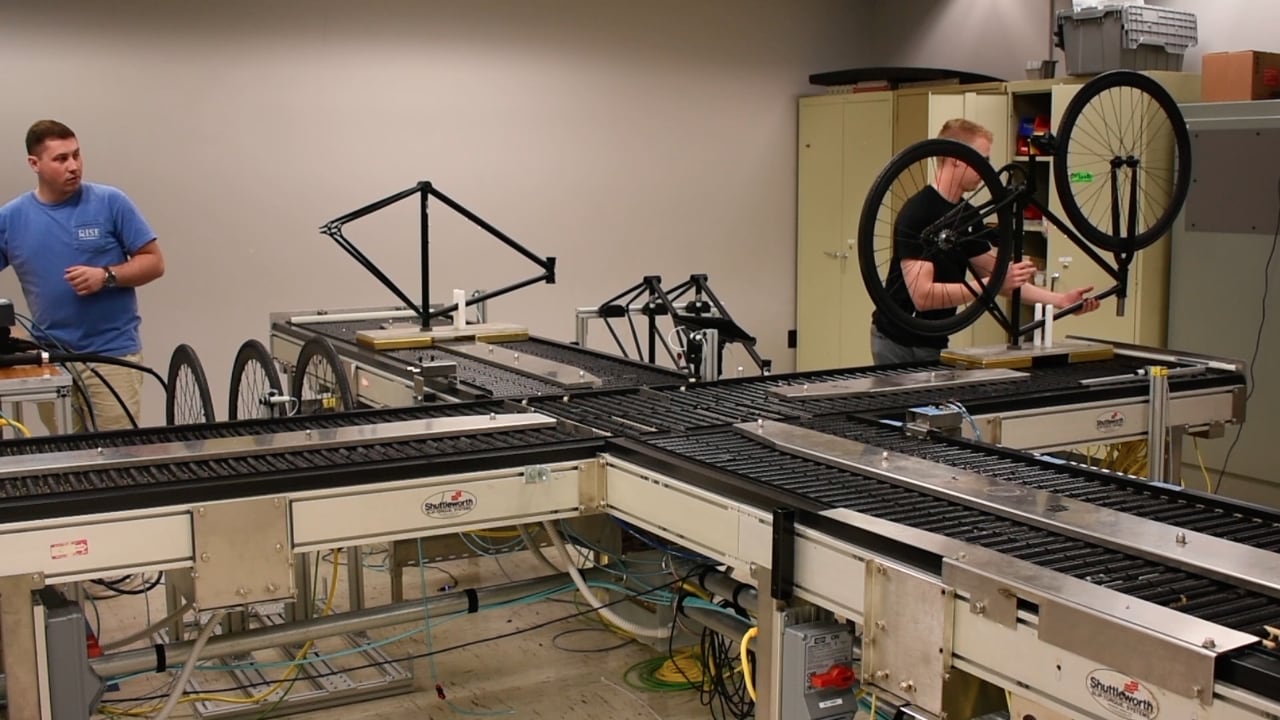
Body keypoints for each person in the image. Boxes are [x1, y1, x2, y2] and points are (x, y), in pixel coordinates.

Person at [870, 118, 1099, 365]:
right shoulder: (919, 212)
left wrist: (1061, 301)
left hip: (933, 341)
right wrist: (992, 284)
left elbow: (998, 274)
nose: (986, 169)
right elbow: (923, 298)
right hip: (898, 343)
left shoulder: (967, 214)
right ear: (956, 158)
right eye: (982, 160)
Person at [0, 120, 164, 431]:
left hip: (112, 355)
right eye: (61, 159)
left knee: (118, 457)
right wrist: (12, 333)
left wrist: (106, 276)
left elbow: (154, 262)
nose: (73, 166)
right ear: (34, 164)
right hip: (50, 360)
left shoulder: (110, 202)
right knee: (68, 456)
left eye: (76, 155)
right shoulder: (11, 218)